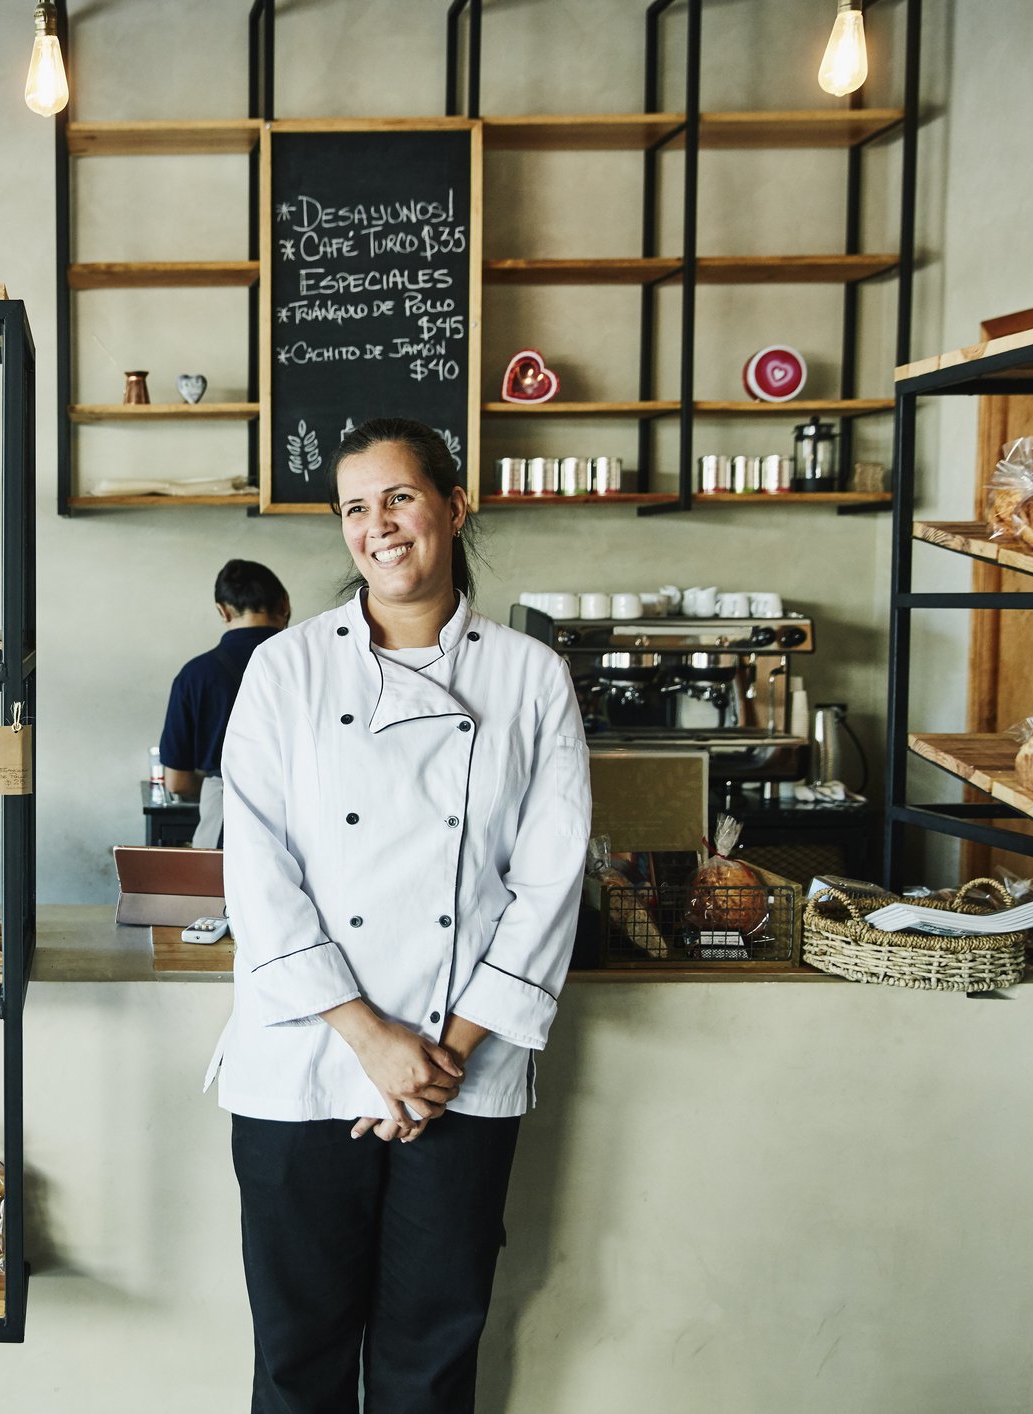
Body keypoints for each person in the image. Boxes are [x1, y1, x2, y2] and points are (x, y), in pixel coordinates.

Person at [206, 418, 591, 1414]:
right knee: (299, 1364)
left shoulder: (529, 676)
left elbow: (548, 885)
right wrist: (370, 1037)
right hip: (303, 1064)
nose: (378, 525)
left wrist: (437, 1060)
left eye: (400, 497)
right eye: (355, 507)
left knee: (432, 1361)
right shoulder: (283, 671)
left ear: (454, 506)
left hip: (463, 1075)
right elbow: (256, 871)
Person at [157, 559, 291, 848]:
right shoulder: (312, 664)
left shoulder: (195, 675)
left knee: (223, 891)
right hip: (303, 808)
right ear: (285, 604)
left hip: (224, 817)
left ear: (222, 610)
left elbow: (177, 782)